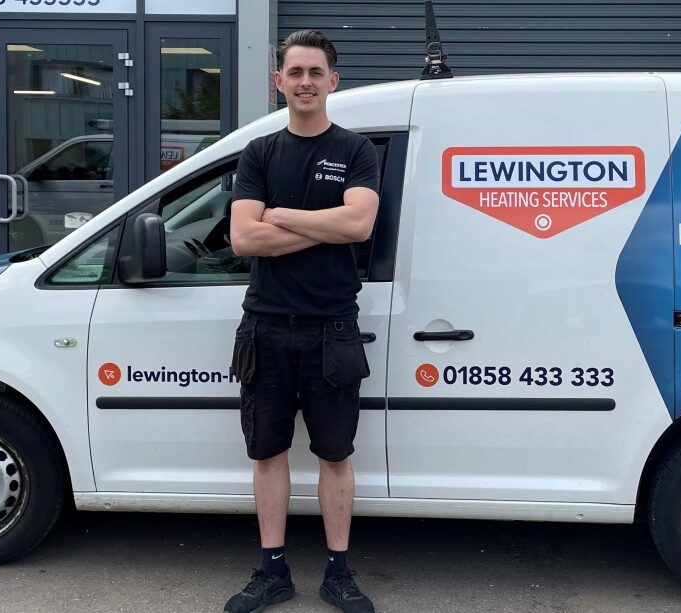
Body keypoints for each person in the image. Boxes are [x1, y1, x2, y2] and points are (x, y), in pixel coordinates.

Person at [222, 29, 381, 613]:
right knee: (267, 453)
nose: (306, 82)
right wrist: (324, 221)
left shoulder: (356, 151)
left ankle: (338, 573)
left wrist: (282, 217)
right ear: (279, 81)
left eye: (316, 72)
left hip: (330, 327)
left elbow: (358, 227)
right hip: (265, 326)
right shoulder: (260, 153)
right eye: (296, 72)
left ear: (332, 82)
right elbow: (243, 237)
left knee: (335, 455)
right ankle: (273, 570)